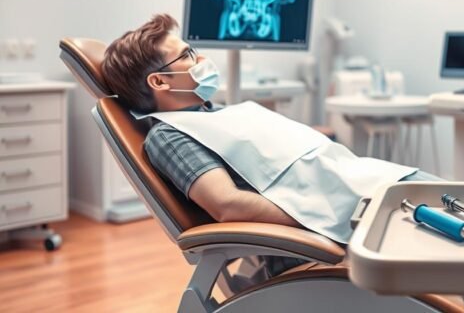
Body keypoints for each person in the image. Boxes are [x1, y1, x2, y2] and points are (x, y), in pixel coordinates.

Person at [101, 14, 441, 246]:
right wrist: (331, 218)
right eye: (188, 55)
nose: (201, 59)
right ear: (159, 81)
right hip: (352, 207)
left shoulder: (212, 113)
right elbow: (228, 204)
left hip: (365, 179)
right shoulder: (170, 135)